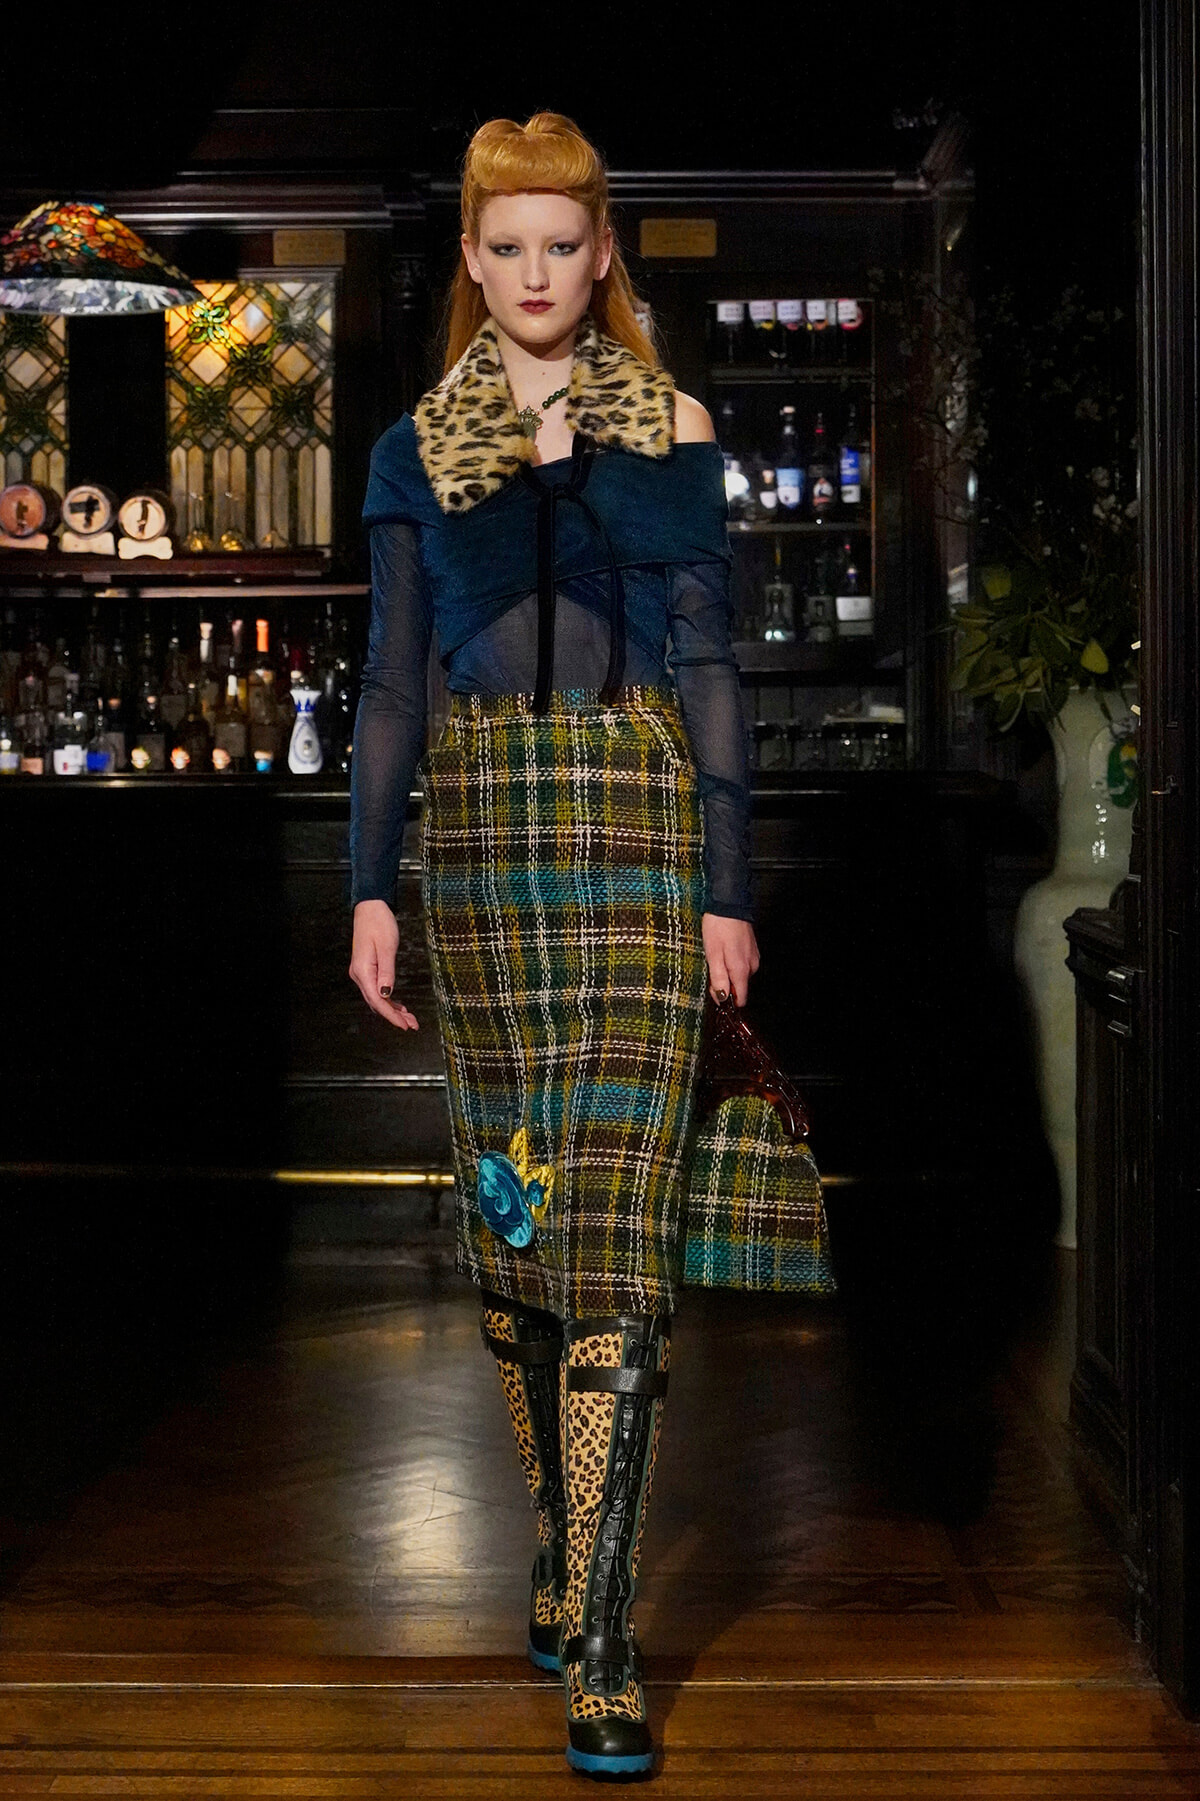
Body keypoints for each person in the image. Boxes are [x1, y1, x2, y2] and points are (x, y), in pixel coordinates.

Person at [348, 111, 758, 1780]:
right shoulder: (412, 447)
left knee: (615, 1237)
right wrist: (372, 882)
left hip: (644, 843)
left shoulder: (670, 429)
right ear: (471, 258)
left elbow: (715, 667)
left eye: (562, 247)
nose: (535, 276)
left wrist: (730, 886)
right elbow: (388, 684)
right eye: (504, 247)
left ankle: (600, 1631)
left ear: (604, 257)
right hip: (490, 854)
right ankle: (561, 1535)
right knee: (522, 1212)